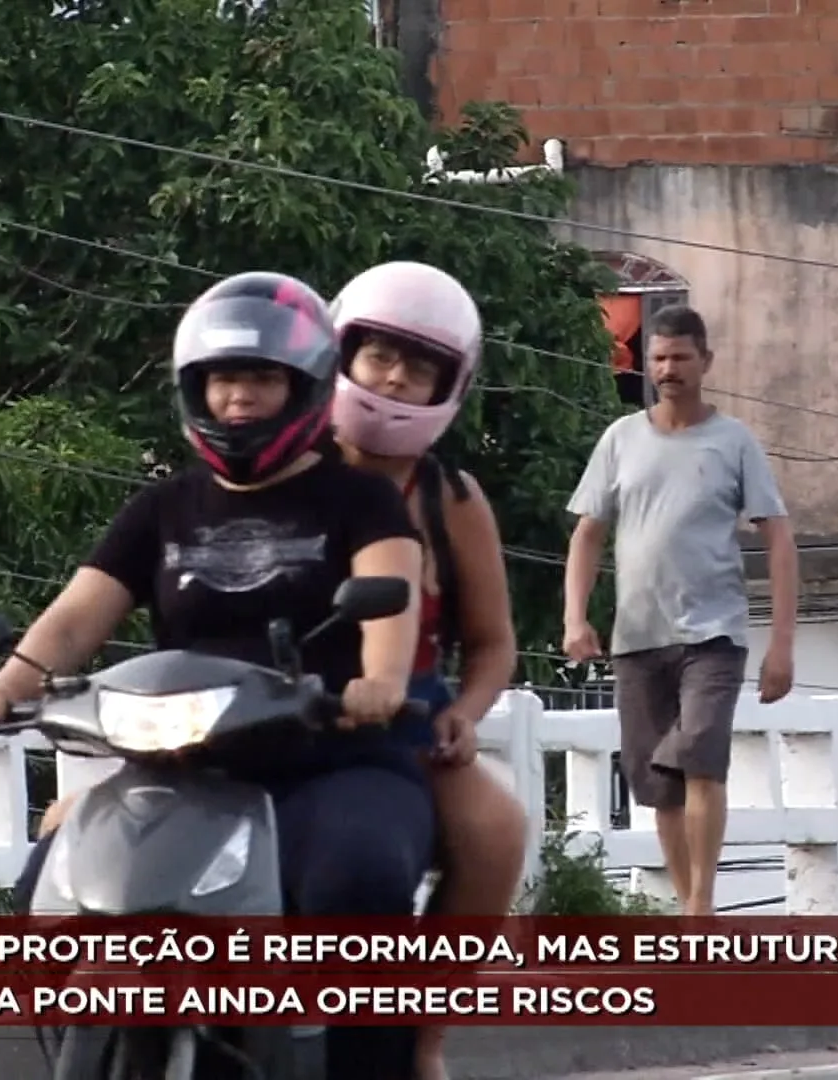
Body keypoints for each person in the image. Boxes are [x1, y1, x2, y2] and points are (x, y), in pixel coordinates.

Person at [0, 271, 429, 1079]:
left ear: (304, 386)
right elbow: (77, 617)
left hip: (328, 759)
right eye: (220, 379)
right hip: (183, 766)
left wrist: (378, 681)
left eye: (259, 377)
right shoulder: (162, 510)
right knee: (49, 883)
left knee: (360, 879)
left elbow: (390, 602)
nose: (237, 397)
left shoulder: (361, 503)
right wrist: (12, 679)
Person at [328, 261, 525, 1080]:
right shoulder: (281, 459)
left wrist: (464, 715)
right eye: (378, 356)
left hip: (406, 710)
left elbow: (493, 641)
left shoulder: (451, 497)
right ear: (339, 356)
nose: (395, 377)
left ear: (450, 385)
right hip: (267, 694)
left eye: (419, 367)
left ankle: (424, 1036)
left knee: (495, 830)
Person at [560, 304, 799, 917]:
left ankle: (701, 904)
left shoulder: (733, 441)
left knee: (700, 756)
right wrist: (575, 618)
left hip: (713, 633)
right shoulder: (621, 439)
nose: (668, 369)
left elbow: (778, 538)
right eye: (659, 358)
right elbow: (588, 531)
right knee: (658, 785)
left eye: (680, 358)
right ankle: (688, 899)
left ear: (705, 362)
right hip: (637, 636)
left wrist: (782, 645)